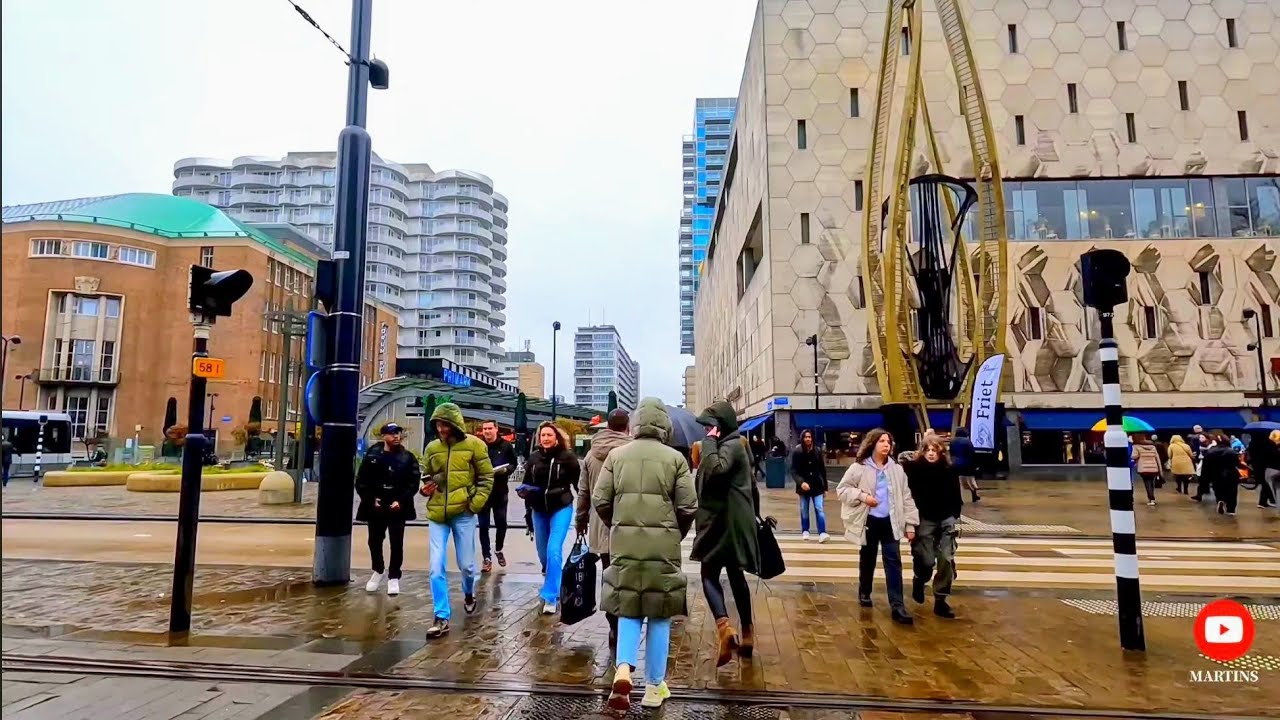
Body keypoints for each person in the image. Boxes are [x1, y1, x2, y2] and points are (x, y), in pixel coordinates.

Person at [593, 398, 697, 711]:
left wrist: (618, 525)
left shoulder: (616, 456)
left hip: (624, 544)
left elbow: (600, 499)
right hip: (662, 546)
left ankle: (623, 669)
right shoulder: (675, 459)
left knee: (628, 607)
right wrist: (674, 532)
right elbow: (689, 506)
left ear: (636, 424)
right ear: (664, 425)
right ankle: (653, 688)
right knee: (660, 612)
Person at [691, 400, 761, 666]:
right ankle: (747, 633)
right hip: (732, 523)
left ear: (721, 425)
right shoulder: (737, 445)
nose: (707, 431)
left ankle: (725, 627)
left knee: (709, 574)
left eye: (710, 426)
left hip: (721, 524)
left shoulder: (730, 446)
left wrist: (709, 444)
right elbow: (752, 489)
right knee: (735, 575)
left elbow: (716, 471)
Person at [421, 403, 494, 638]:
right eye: (438, 424)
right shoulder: (432, 448)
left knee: (467, 565)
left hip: (463, 513)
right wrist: (426, 489)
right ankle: (441, 616)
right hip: (437, 514)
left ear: (455, 424)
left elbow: (486, 477)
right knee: (435, 567)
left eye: (445, 424)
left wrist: (473, 505)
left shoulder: (475, 445)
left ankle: (469, 593)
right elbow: (426, 478)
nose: (441, 429)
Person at [837, 428, 920, 625]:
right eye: (882, 441)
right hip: (869, 521)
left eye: (888, 442)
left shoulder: (897, 470)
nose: (886, 445)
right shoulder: (859, 467)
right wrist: (863, 497)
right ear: (873, 443)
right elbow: (842, 490)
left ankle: (897, 605)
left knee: (893, 561)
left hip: (891, 521)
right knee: (868, 558)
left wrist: (910, 524)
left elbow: (906, 497)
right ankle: (864, 591)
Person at [577, 409, 632, 646]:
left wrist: (581, 520)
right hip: (629, 522)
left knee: (608, 574)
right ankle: (627, 621)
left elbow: (584, 492)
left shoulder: (592, 454)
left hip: (600, 521)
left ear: (608, 426)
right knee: (628, 576)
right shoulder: (632, 451)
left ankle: (613, 625)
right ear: (627, 427)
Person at [355, 422, 421, 596]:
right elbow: (362, 481)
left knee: (396, 542)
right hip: (375, 506)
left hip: (398, 506)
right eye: (392, 433)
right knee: (374, 541)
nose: (396, 436)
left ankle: (394, 576)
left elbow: (413, 482)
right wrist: (370, 499)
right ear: (384, 436)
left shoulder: (408, 457)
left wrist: (401, 500)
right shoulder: (372, 455)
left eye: (398, 433)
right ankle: (378, 569)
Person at [524, 421, 581, 615]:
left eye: (549, 435)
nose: (546, 439)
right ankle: (551, 575)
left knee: (553, 549)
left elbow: (578, 485)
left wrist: (584, 511)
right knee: (543, 553)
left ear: (556, 437)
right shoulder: (533, 458)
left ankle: (551, 596)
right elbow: (526, 483)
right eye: (543, 435)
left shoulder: (568, 457)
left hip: (561, 506)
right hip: (538, 508)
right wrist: (526, 499)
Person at [903, 437, 962, 619]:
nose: (930, 453)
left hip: (945, 517)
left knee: (946, 558)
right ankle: (920, 579)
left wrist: (955, 514)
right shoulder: (914, 469)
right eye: (927, 449)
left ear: (940, 452)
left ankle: (941, 599)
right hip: (924, 518)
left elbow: (955, 493)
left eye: (934, 450)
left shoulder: (949, 470)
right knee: (926, 559)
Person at [477, 420, 518, 573]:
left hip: (500, 490)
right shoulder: (479, 445)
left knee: (501, 523)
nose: (487, 431)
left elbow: (513, 464)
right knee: (483, 526)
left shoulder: (505, 446)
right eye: (484, 429)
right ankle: (486, 557)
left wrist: (506, 471)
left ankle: (498, 549)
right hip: (482, 491)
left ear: (496, 429)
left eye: (489, 428)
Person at [791, 429, 829, 542]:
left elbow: (822, 470)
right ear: (802, 438)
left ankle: (822, 532)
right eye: (806, 437)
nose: (808, 439)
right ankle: (805, 530)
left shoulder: (817, 451)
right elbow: (793, 470)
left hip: (817, 485)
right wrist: (801, 482)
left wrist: (825, 487)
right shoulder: (797, 451)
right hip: (804, 486)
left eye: (810, 437)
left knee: (819, 508)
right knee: (804, 509)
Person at [1200, 431, 1239, 516]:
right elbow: (1237, 463)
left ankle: (1220, 500)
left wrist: (1205, 478)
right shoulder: (1231, 451)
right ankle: (1231, 509)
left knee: (1218, 489)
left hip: (1216, 474)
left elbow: (1206, 466)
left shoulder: (1211, 451)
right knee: (1232, 492)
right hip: (1231, 474)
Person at [949, 428, 980, 503]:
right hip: (967, 465)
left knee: (957, 482)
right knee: (970, 480)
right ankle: (974, 495)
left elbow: (951, 453)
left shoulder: (952, 441)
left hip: (955, 464)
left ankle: (959, 499)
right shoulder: (967, 442)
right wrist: (975, 465)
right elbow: (972, 454)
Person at [1131, 435, 1161, 506]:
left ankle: (1151, 498)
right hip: (1154, 467)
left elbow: (1134, 456)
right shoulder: (1153, 447)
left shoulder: (1136, 447)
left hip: (1143, 468)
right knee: (1152, 483)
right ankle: (1152, 498)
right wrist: (1160, 469)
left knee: (1147, 483)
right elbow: (1157, 458)